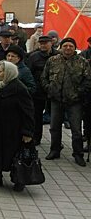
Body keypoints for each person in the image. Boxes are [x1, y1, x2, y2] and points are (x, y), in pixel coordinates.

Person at [0, 60, 34, 192]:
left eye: (0, 71)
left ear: (9, 73)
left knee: (14, 155)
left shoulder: (19, 88)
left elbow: (28, 111)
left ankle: (18, 179)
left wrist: (27, 132)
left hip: (13, 129)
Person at [42, 38, 91, 166]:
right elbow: (44, 77)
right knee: (54, 127)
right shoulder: (52, 60)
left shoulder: (82, 62)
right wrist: (49, 88)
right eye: (65, 46)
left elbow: (88, 80)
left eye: (70, 46)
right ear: (61, 47)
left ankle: (78, 154)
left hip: (75, 101)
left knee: (76, 129)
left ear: (74, 48)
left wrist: (79, 92)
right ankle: (55, 150)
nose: (68, 48)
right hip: (56, 100)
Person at [27, 35, 58, 144]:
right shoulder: (33, 57)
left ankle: (56, 143)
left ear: (51, 43)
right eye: (41, 43)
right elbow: (29, 73)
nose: (43, 45)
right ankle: (36, 137)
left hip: (55, 91)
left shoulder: (58, 55)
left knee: (56, 118)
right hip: (38, 91)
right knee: (37, 116)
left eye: (45, 43)